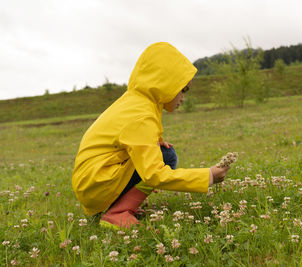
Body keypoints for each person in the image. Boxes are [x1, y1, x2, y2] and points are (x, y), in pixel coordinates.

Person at [71, 42, 230, 229]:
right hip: (97, 184)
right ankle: (117, 213)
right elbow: (155, 174)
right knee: (166, 158)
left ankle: (117, 205)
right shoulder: (141, 115)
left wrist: (156, 143)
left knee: (163, 152)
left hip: (94, 181)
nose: (183, 98)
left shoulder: (137, 102)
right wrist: (208, 176)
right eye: (183, 90)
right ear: (165, 84)